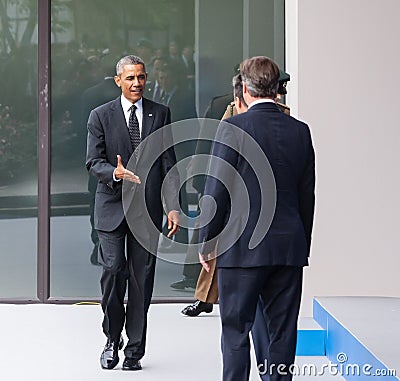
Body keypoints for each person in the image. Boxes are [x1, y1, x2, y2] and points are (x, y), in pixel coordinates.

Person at [198, 56, 315, 381]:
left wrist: (207, 242)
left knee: (236, 333)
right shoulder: (300, 131)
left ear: (245, 89)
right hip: (288, 248)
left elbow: (216, 189)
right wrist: (301, 242)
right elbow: (307, 196)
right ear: (277, 89)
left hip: (240, 248)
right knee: (282, 335)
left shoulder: (233, 128)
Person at [85, 55, 180, 371]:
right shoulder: (100, 116)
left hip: (148, 210)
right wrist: (115, 173)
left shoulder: (160, 113)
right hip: (112, 206)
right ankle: (112, 339)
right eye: (130, 78)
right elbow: (93, 161)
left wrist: (174, 206)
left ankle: (134, 351)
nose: (136, 83)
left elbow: (169, 162)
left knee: (142, 280)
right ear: (118, 81)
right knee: (113, 271)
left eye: (141, 77)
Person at [181, 69, 292, 316]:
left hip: (260, 191)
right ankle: (204, 297)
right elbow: (210, 141)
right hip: (230, 186)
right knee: (216, 240)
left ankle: (209, 298)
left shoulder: (283, 115)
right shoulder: (227, 107)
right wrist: (202, 174)